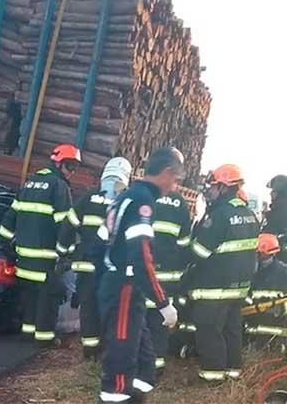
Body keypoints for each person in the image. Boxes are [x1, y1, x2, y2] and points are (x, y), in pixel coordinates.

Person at [97, 147, 182, 404]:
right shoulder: (142, 201)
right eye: (176, 178)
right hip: (124, 287)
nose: (175, 185)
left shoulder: (127, 196)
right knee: (121, 363)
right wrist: (163, 303)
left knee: (145, 362)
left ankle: (135, 398)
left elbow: (101, 240)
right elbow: (141, 257)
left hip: (121, 286)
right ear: (167, 173)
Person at [0, 144, 80, 346]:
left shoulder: (30, 183)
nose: (72, 172)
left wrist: (5, 245)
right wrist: (66, 254)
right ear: (58, 163)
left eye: (75, 168)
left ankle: (27, 334)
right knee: (48, 299)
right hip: (46, 261)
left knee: (30, 298)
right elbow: (65, 225)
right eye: (70, 166)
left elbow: (10, 217)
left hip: (24, 261)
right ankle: (44, 339)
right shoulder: (59, 187)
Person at [183, 164, 259, 382]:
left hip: (215, 287)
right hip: (240, 287)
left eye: (214, 186)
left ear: (225, 187)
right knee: (231, 330)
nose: (210, 191)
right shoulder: (249, 214)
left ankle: (212, 377)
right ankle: (233, 372)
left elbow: (199, 252)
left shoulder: (219, 215)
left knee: (209, 330)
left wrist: (186, 254)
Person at [56, 157, 132, 360]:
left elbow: (68, 225)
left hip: (86, 265)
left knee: (88, 306)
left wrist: (64, 252)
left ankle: (90, 351)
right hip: (111, 268)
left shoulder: (88, 197)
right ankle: (107, 350)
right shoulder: (127, 202)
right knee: (109, 307)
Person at [147, 190, 192, 370]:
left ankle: (137, 363)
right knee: (160, 321)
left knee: (138, 321)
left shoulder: (143, 196)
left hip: (142, 273)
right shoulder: (179, 202)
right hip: (168, 275)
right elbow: (184, 242)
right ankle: (157, 366)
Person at [244, 233, 287, 342]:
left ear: (262, 252)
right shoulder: (282, 269)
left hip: (268, 321)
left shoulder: (257, 273)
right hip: (269, 319)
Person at [262, 175, 287, 261]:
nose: (270, 194)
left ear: (280, 193)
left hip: (280, 256)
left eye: (273, 191)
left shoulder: (278, 211)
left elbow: (268, 233)